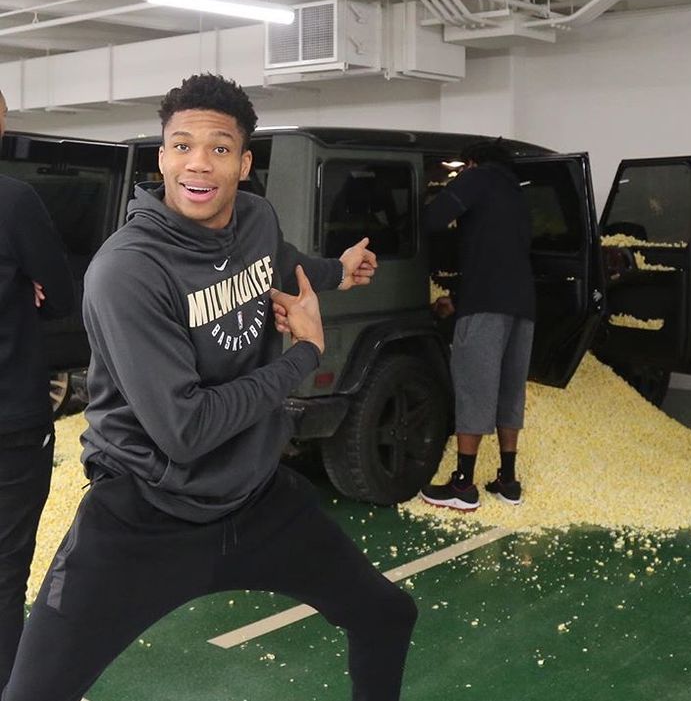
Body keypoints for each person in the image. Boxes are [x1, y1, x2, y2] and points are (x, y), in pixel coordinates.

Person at [1, 74, 417, 701]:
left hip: (255, 497)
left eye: (220, 148)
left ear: (245, 163)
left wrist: (340, 272)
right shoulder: (127, 271)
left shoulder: (255, 217)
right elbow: (186, 429)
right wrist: (304, 352)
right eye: (182, 145)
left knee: (388, 613)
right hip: (143, 514)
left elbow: (277, 259)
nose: (199, 163)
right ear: (163, 156)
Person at [0, 90, 74, 690]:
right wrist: (30, 285)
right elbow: (65, 294)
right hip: (10, 426)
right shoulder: (14, 200)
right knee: (2, 578)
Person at [419, 140, 536, 511]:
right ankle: (508, 480)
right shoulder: (516, 192)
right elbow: (495, 250)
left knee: (473, 386)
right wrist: (458, 294)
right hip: (523, 305)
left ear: (471, 163)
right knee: (509, 389)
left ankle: (463, 485)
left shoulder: (477, 179)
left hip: (485, 305)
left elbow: (432, 218)